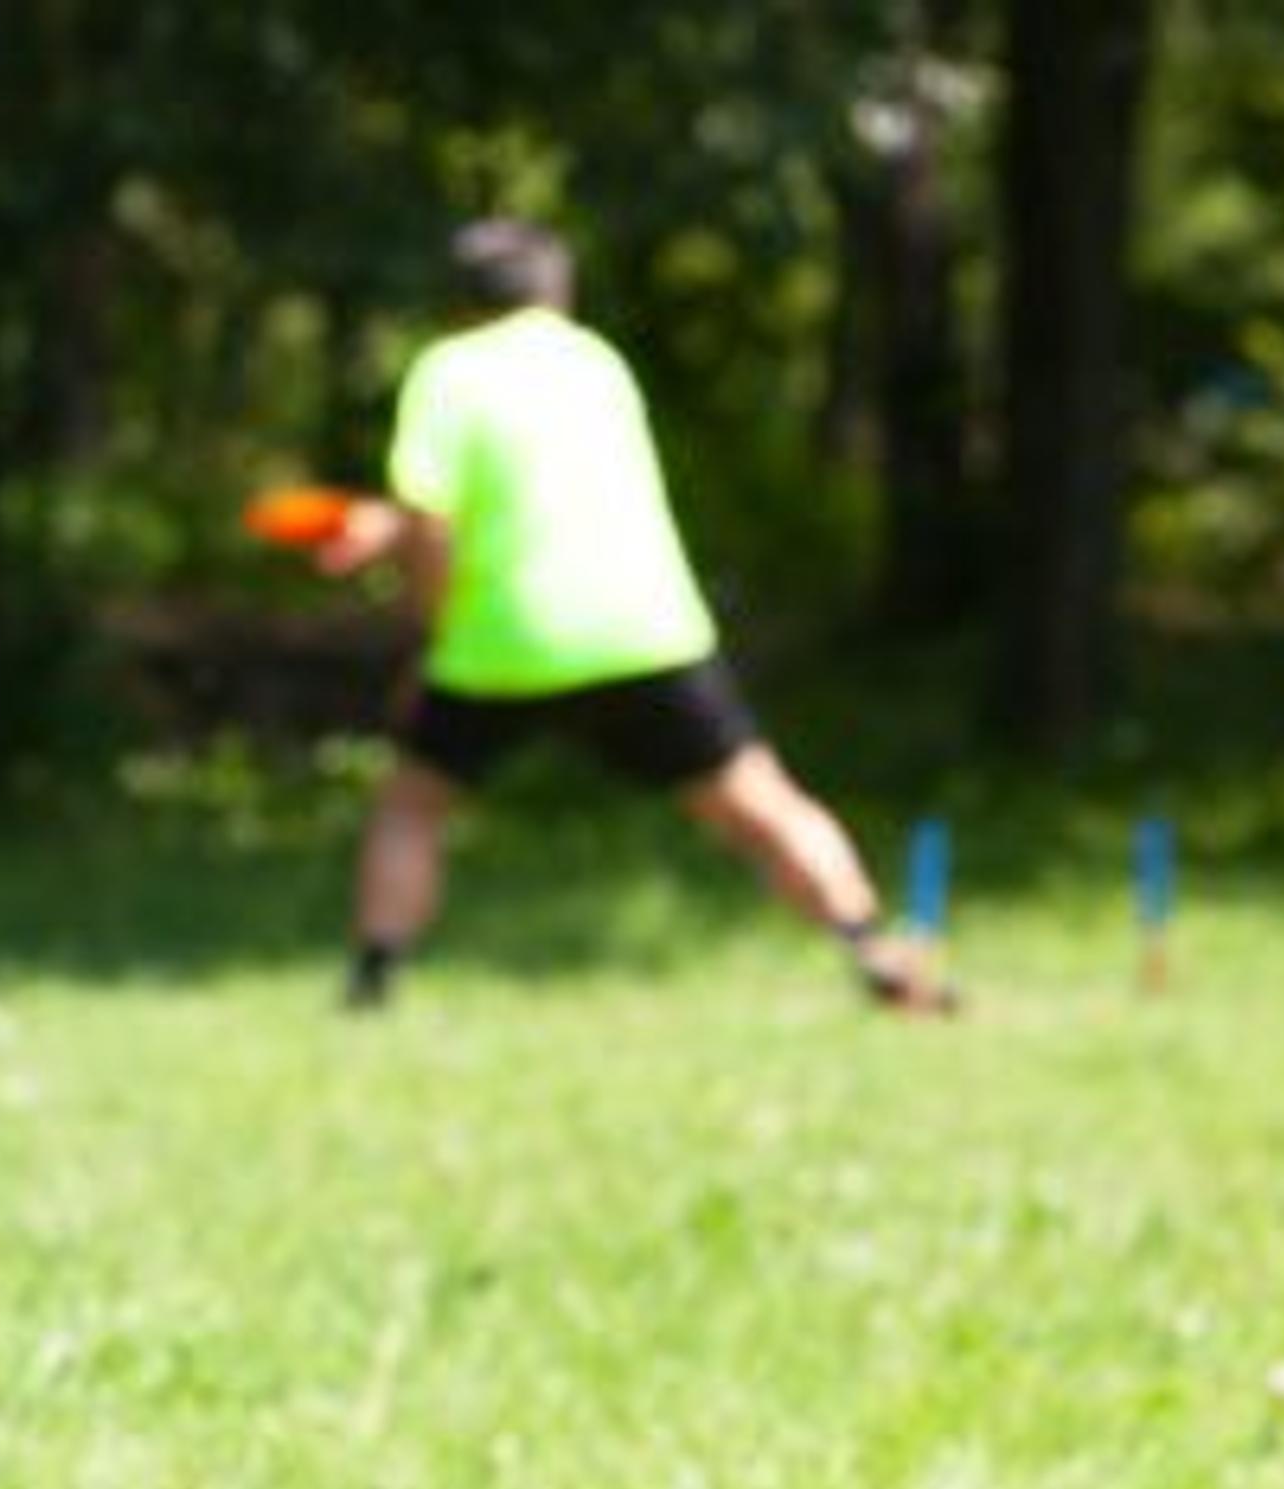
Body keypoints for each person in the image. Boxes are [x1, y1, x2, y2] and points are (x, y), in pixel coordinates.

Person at [318, 220, 943, 1014]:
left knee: (413, 805)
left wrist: (427, 632)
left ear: (458, 300)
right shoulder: (598, 364)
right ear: (556, 291)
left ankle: (372, 980)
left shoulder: (449, 371)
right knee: (757, 798)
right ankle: (870, 946)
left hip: (501, 638)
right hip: (642, 626)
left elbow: (437, 522)